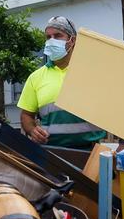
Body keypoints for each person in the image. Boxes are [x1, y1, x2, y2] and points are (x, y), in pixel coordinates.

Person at [17, 16, 107, 150]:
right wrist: (32, 130)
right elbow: (26, 115)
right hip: (51, 152)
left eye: (58, 35)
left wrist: (123, 143)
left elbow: (118, 107)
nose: (52, 41)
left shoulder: (93, 73)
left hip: (90, 151)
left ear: (73, 40)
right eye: (48, 37)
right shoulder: (35, 77)